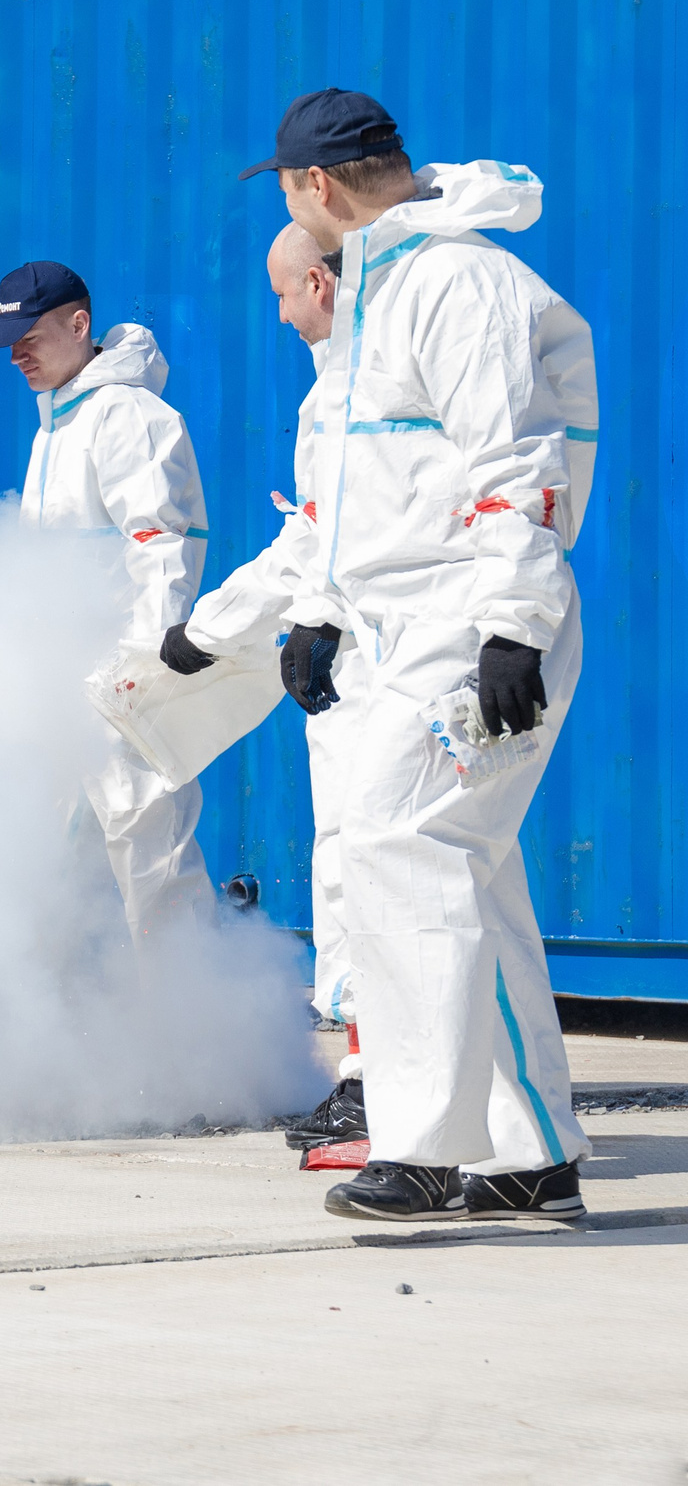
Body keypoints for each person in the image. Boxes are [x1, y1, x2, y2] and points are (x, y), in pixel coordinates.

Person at [170, 89, 597, 1222]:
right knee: (463, 876)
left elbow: (514, 456)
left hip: (469, 625)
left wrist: (513, 626)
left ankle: (417, 1144)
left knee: (397, 855)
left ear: (314, 187)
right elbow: (363, 496)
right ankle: (531, 1149)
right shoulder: (379, 298)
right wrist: (316, 609)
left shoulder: (456, 281)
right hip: (409, 628)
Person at [159, 227, 369, 1153]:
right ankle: (377, 1077)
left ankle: (387, 1087)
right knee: (357, 868)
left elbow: (328, 542)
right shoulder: (337, 386)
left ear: (319, 281)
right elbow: (311, 538)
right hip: (358, 665)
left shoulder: (364, 382)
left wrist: (212, 626)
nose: (280, 314)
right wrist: (211, 630)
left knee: (383, 874)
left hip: (388, 661)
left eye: (285, 294)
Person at [0, 260, 215, 942]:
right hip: (63, 681)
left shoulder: (126, 415)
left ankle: (190, 1033)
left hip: (122, 676)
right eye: (8, 339)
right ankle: (84, 1032)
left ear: (80, 324)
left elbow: (160, 544)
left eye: (31, 333)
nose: (17, 351)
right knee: (58, 859)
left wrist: (148, 667)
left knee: (151, 851)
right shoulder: (56, 423)